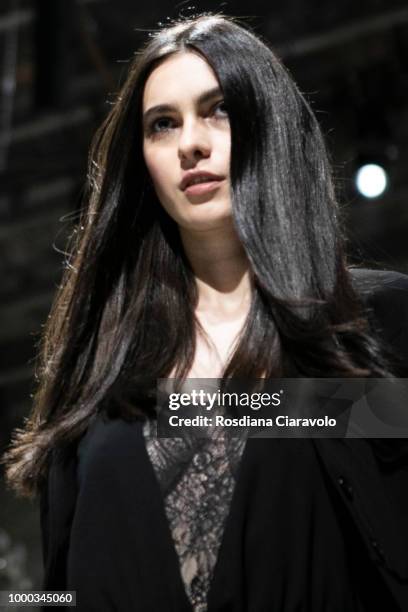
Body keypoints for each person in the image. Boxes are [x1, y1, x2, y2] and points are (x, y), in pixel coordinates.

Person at [3, 12, 408, 612]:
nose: (190, 142)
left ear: (265, 124)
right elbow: (64, 590)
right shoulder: (98, 389)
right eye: (162, 125)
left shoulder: (374, 323)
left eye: (217, 108)